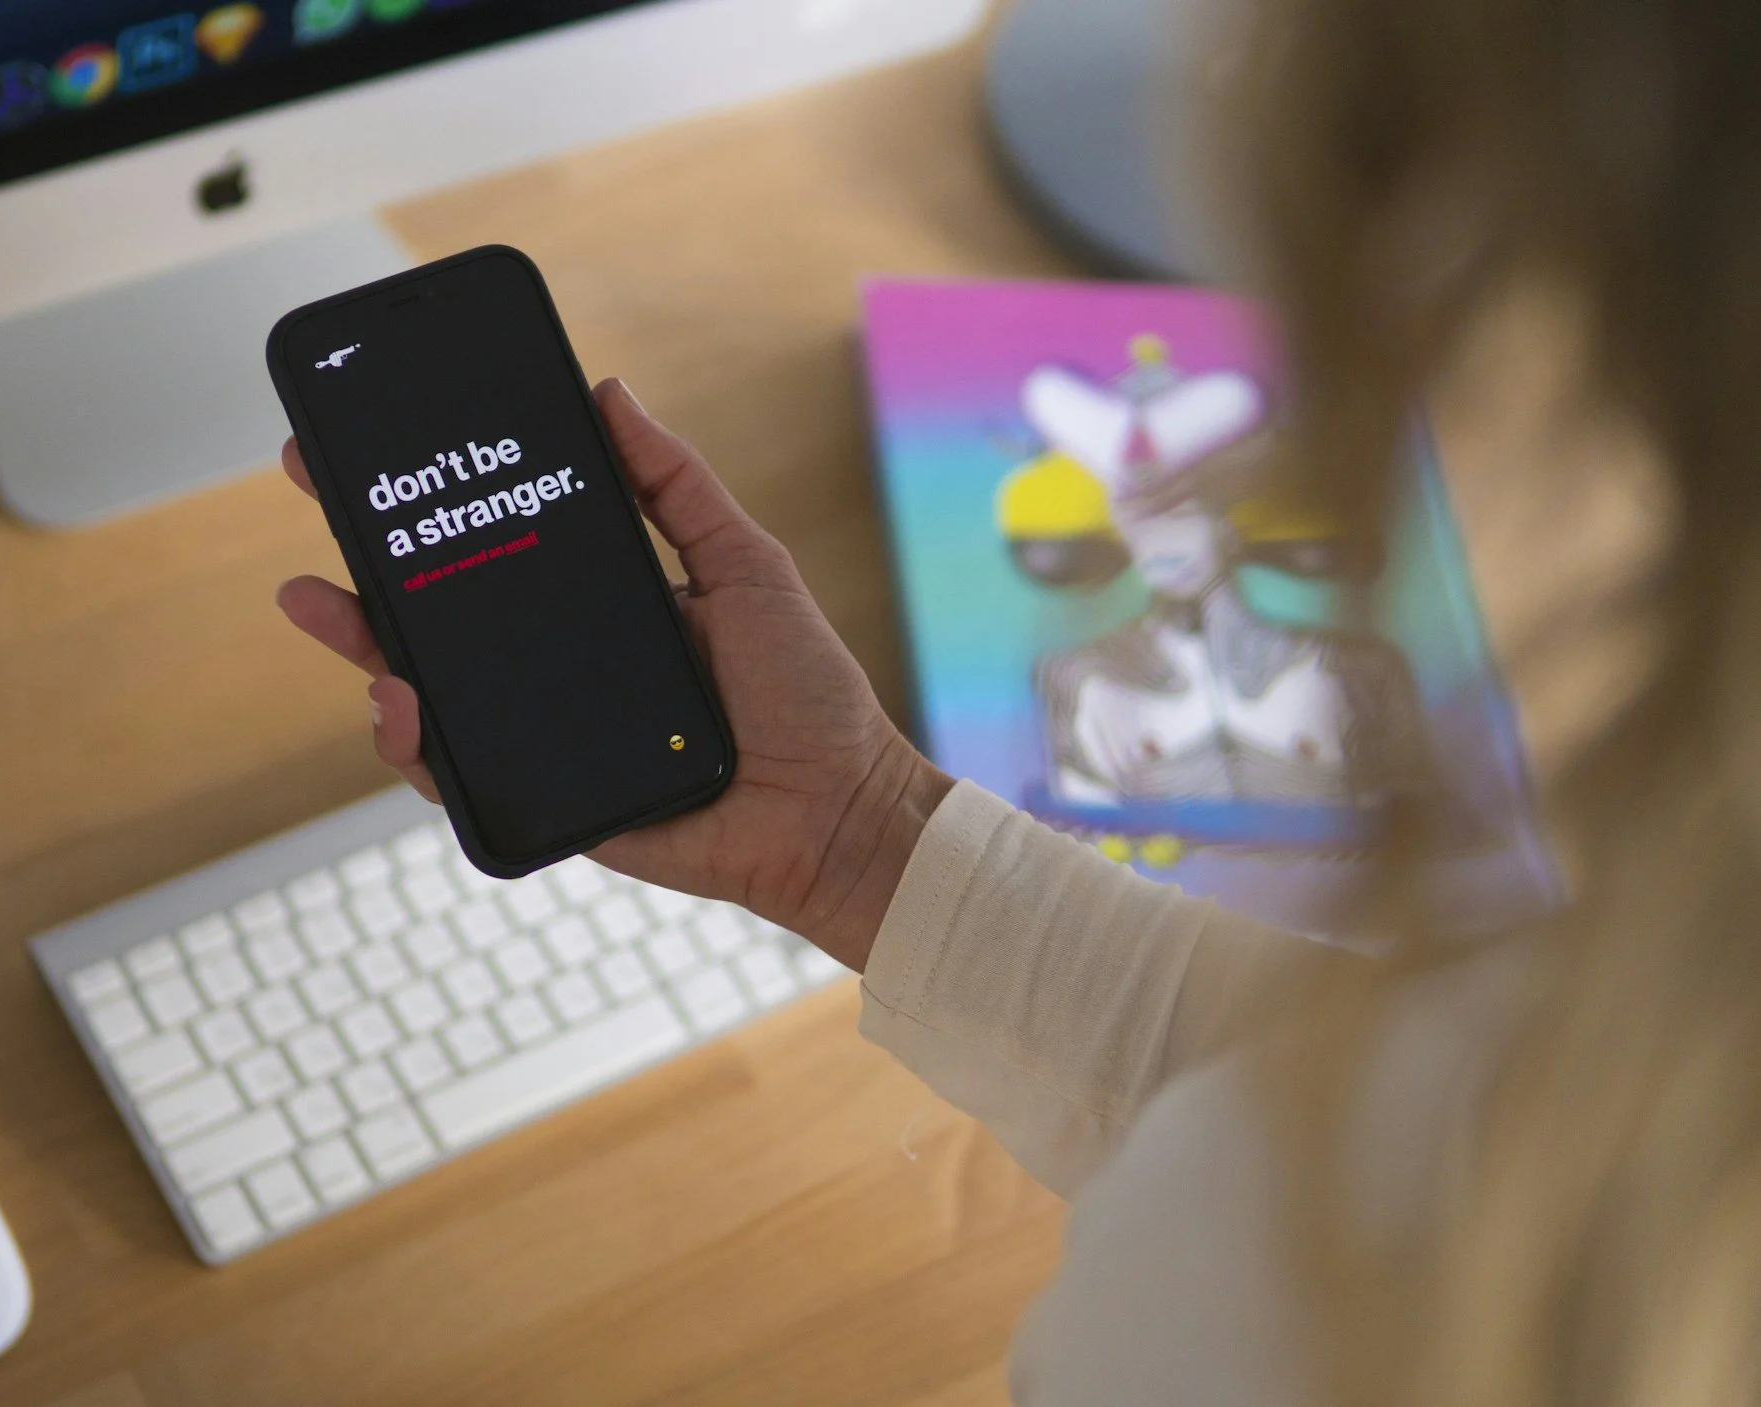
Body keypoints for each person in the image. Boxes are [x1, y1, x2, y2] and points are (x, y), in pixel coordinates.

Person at [277, 0, 1761, 1400]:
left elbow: (1365, 1149)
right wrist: (863, 836)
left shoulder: (1307, 1301)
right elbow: (1399, 1099)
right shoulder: (1612, 1052)